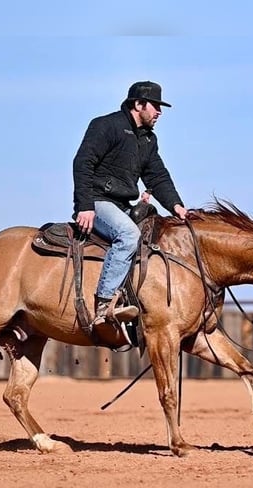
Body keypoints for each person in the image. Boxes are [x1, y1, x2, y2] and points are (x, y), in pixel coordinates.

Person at [73, 80, 188, 329]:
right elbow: (83, 163)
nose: (159, 112)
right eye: (155, 106)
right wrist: (85, 205)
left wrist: (176, 206)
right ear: (138, 104)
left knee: (155, 235)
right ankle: (104, 305)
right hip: (97, 201)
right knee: (128, 234)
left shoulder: (148, 140)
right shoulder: (106, 126)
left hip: (122, 205)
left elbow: (157, 176)